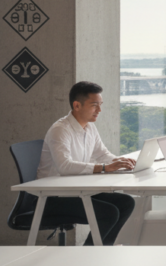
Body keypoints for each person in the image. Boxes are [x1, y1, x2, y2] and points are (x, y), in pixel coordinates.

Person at [36, 81, 137, 245]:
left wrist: (118, 161)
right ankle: (89, 252)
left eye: (100, 105)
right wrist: (104, 168)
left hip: (76, 191)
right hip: (52, 197)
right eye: (94, 105)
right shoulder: (60, 130)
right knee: (109, 212)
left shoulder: (89, 128)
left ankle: (102, 249)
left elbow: (102, 153)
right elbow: (65, 166)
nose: (99, 110)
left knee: (126, 203)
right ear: (77, 105)